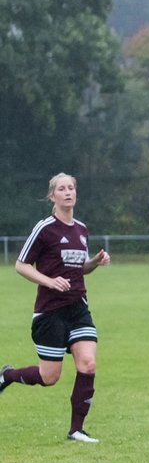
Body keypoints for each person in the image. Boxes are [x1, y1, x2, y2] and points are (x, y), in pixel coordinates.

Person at [1, 173, 110, 442]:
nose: (68, 192)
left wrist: (95, 261)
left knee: (88, 363)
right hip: (50, 313)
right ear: (52, 196)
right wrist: (49, 281)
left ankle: (76, 430)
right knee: (49, 377)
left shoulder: (81, 229)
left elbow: (79, 268)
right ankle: (8, 375)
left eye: (71, 188)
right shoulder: (45, 228)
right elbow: (21, 265)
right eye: (61, 189)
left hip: (78, 308)